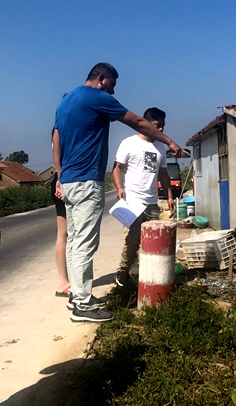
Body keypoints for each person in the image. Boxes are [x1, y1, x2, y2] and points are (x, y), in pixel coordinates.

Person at [53, 62, 184, 323]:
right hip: (86, 180)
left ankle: (76, 296)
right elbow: (137, 121)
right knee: (85, 243)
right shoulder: (96, 97)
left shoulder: (66, 100)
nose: (113, 91)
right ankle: (83, 305)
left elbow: (56, 138)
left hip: (69, 180)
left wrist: (59, 174)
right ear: (101, 78)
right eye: (112, 85)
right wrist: (169, 141)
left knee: (75, 240)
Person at [112, 107, 175, 286]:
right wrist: (119, 187)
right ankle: (123, 271)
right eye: (157, 125)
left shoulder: (160, 148)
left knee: (154, 240)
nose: (161, 129)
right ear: (146, 123)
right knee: (132, 239)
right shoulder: (129, 143)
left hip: (152, 203)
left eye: (163, 125)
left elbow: (163, 174)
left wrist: (169, 197)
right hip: (132, 201)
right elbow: (117, 168)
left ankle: (149, 274)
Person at [51, 170, 71, 296]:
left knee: (67, 234)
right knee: (63, 233)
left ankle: (69, 281)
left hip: (67, 180)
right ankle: (63, 283)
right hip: (64, 181)